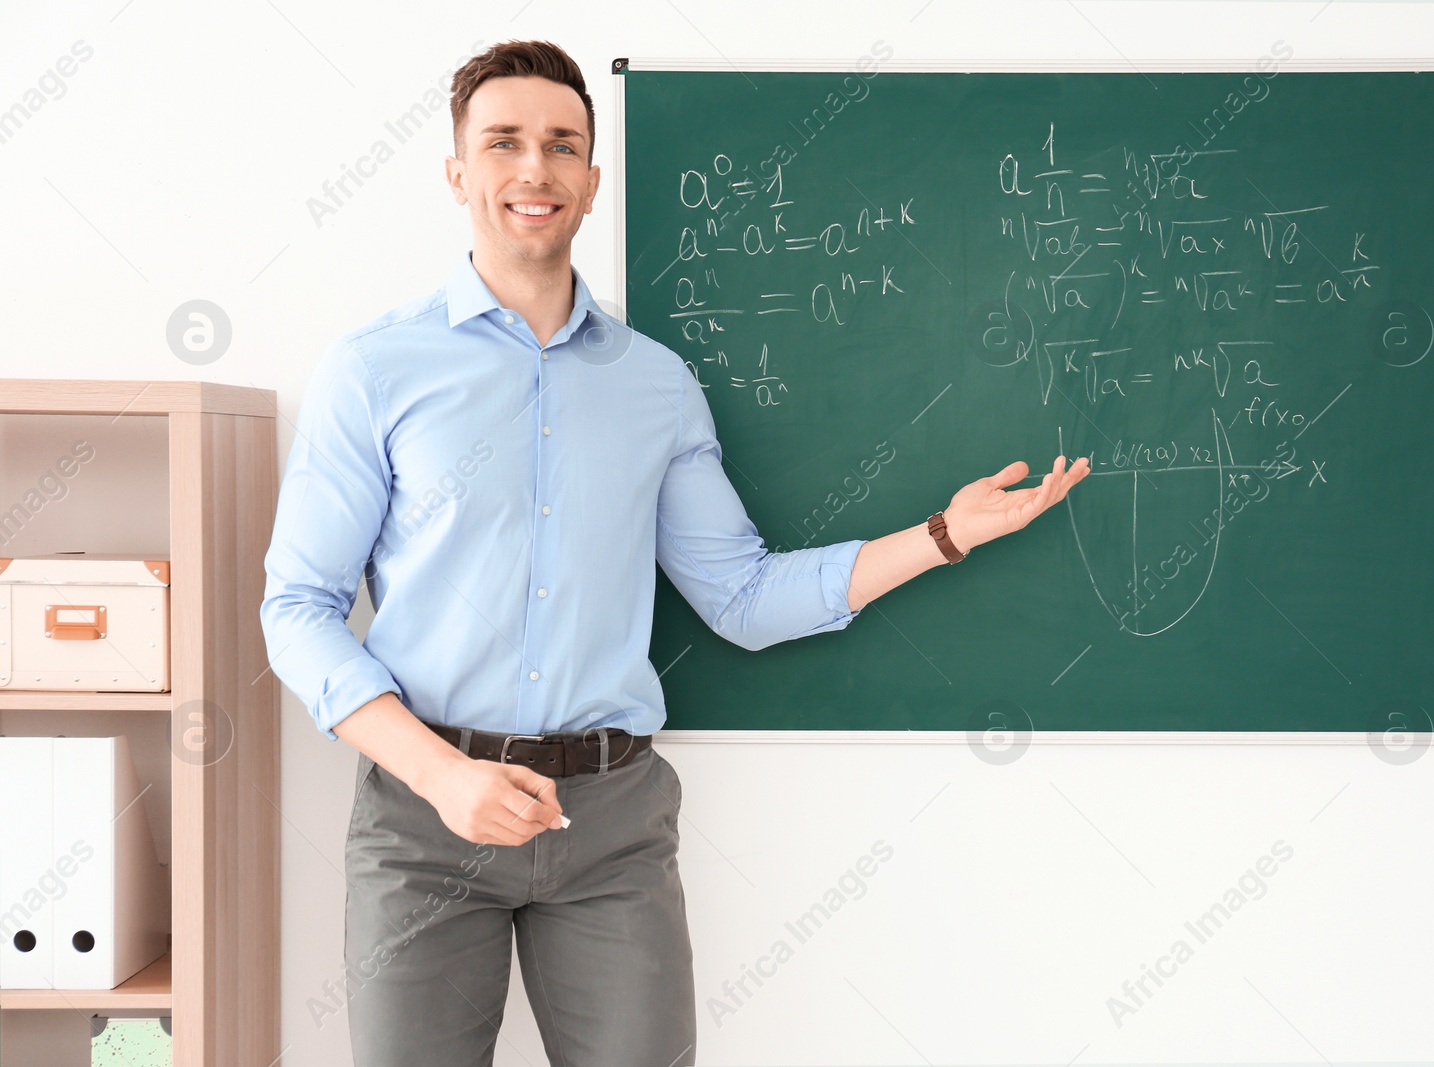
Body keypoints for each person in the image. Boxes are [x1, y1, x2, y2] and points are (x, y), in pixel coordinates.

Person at [260, 38, 1090, 1067]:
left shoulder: (656, 384)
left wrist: (942, 534)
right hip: (425, 811)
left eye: (562, 145)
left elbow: (740, 594)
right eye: (504, 142)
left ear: (593, 179)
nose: (534, 169)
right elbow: (296, 607)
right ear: (458, 172)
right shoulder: (373, 368)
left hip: (607, 821)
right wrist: (439, 776)